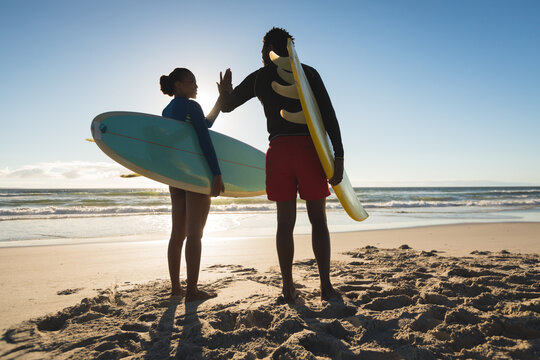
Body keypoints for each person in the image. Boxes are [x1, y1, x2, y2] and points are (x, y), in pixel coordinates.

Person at [218, 27, 344, 301]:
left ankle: (288, 286)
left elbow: (228, 107)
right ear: (291, 48)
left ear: (266, 51)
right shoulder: (308, 73)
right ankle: (325, 286)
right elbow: (328, 114)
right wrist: (339, 156)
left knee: (284, 224)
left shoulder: (259, 77)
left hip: (279, 152)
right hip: (310, 150)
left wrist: (224, 92)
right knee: (318, 221)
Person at [160, 67, 225, 301]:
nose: (196, 86)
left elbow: (203, 124)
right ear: (178, 84)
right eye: (192, 82)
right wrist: (216, 173)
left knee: (177, 234)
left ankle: (176, 287)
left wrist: (220, 99)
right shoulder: (191, 106)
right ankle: (192, 291)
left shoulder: (167, 110)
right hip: (195, 174)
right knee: (195, 234)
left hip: (175, 176)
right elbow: (204, 138)